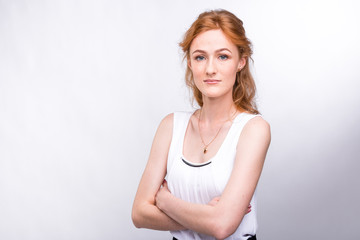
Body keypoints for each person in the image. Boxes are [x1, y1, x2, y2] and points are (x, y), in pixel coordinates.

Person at [132, 9, 271, 240]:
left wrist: (166, 201)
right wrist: (207, 214)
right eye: (200, 57)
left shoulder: (253, 129)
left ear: (241, 62)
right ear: (190, 63)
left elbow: (221, 226)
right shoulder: (170, 126)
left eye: (223, 56)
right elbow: (139, 213)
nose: (210, 69)